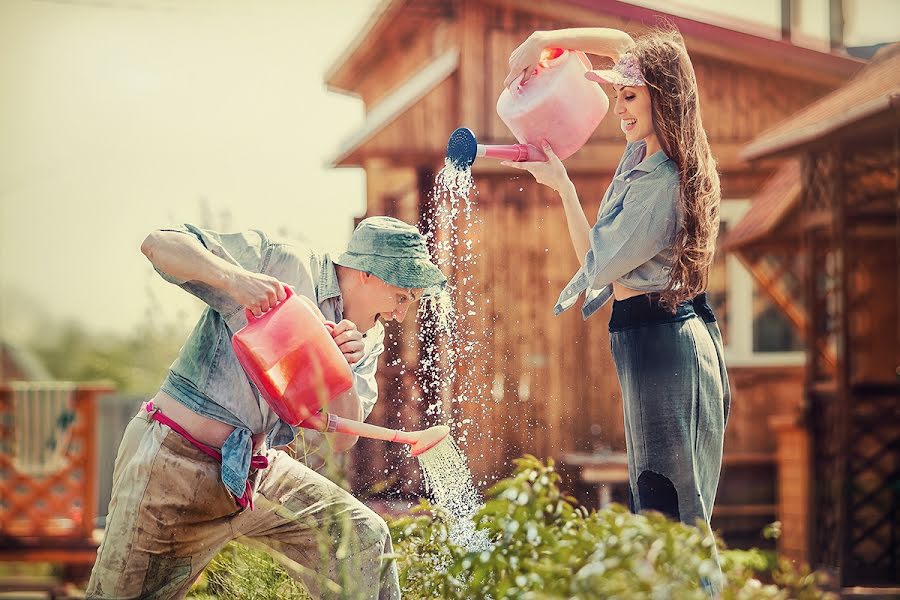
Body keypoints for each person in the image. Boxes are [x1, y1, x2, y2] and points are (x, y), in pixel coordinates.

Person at [86, 216, 446, 599]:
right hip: (174, 463)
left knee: (364, 538)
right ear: (367, 274)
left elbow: (343, 439)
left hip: (254, 471)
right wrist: (236, 280)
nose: (401, 314)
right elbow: (159, 244)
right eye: (402, 297)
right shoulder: (284, 265)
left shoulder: (367, 337)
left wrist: (342, 368)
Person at [504, 27, 731, 588]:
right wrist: (542, 40)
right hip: (657, 339)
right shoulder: (644, 155)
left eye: (631, 97)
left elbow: (597, 267)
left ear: (662, 96)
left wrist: (560, 185)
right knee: (660, 513)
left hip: (663, 346)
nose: (618, 110)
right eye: (620, 95)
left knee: (669, 516)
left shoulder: (660, 180)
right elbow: (621, 40)